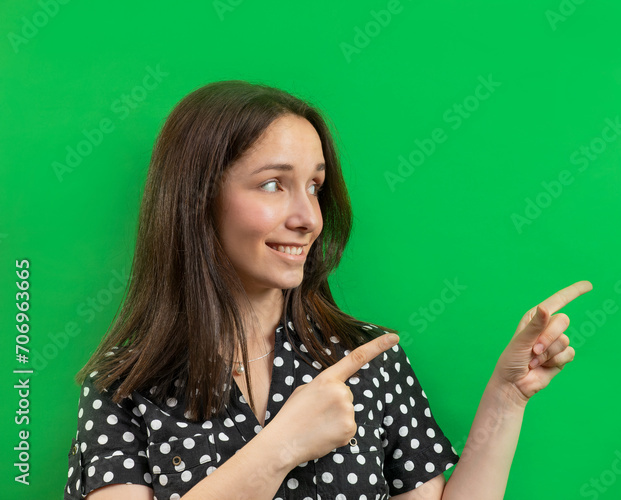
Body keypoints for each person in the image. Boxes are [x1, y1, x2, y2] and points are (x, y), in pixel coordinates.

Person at [64, 79, 591, 500]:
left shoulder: (368, 358)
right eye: (274, 184)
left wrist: (507, 397)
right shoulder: (124, 385)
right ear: (198, 199)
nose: (307, 217)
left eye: (314, 186)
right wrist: (281, 447)